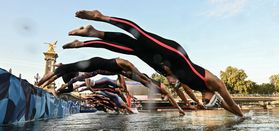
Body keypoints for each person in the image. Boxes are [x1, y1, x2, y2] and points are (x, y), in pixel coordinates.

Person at [63, 10, 244, 117]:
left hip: (162, 65)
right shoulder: (213, 83)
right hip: (174, 54)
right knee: (140, 35)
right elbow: (230, 102)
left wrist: (240, 118)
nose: (204, 102)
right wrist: (241, 113)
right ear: (212, 95)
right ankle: (100, 17)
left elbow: (223, 105)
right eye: (207, 101)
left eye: (205, 103)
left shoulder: (199, 90)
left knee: (130, 47)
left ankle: (92, 35)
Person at [37, 57, 185, 115]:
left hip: (101, 72)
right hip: (99, 69)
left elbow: (138, 79)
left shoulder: (123, 73)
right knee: (68, 74)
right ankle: (42, 85)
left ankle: (46, 85)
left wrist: (178, 108)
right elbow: (83, 79)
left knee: (68, 74)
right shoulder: (123, 69)